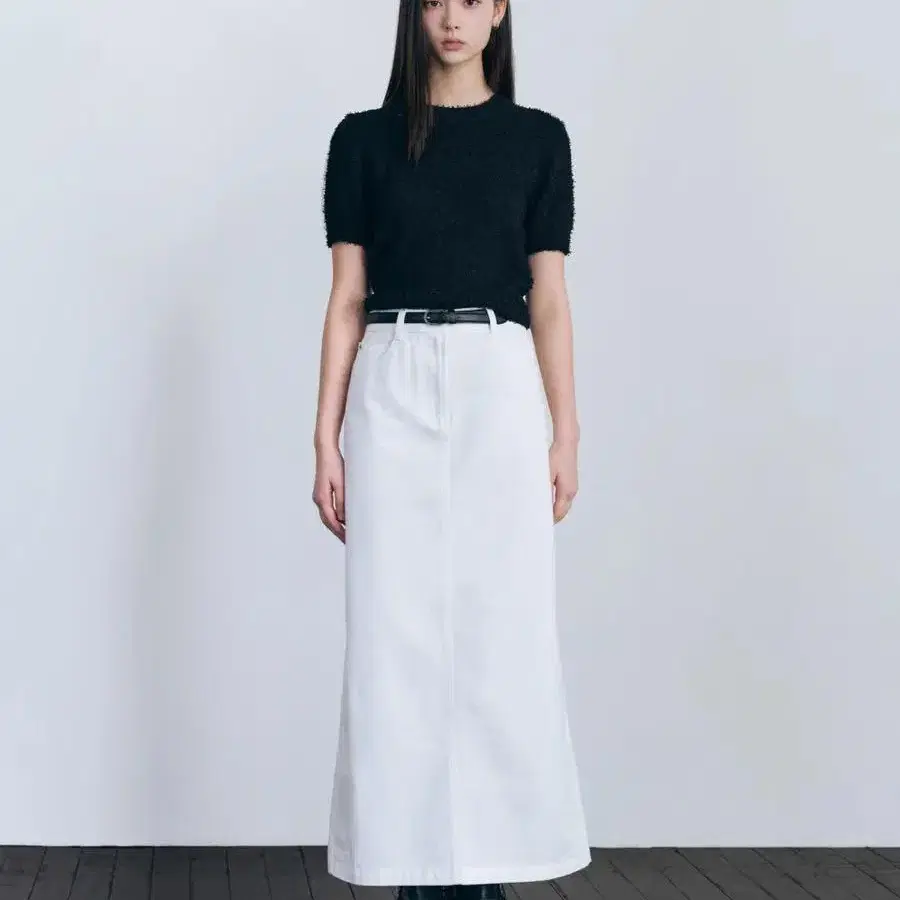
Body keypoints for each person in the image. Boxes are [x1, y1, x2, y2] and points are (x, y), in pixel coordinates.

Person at [312, 1, 590, 898]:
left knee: (504, 630)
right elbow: (346, 299)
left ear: (500, 9)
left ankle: (490, 873)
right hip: (392, 375)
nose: (452, 18)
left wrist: (566, 431)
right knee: (392, 638)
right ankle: (411, 871)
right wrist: (325, 438)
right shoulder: (363, 140)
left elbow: (549, 299)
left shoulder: (538, 139)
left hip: (496, 377)